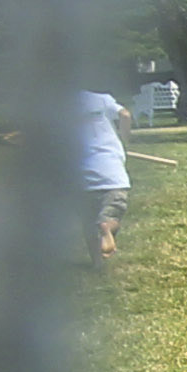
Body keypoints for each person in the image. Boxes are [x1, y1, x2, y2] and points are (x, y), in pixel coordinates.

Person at [77, 88, 132, 261]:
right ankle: (107, 226)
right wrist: (125, 142)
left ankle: (97, 264)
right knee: (112, 214)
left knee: (88, 222)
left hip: (83, 178)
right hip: (113, 175)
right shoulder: (101, 99)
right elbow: (125, 115)